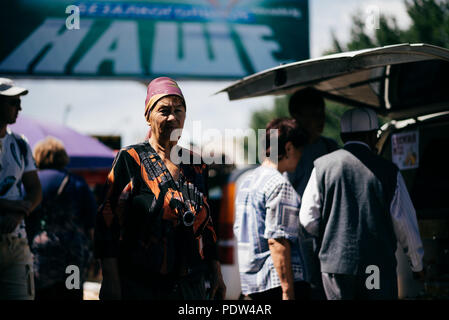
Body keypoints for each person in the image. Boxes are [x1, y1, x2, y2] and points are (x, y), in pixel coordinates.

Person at [95, 77, 226, 300]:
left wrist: (216, 271)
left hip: (190, 285)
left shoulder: (195, 163)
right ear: (148, 116)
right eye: (164, 110)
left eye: (179, 110)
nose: (173, 117)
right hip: (141, 285)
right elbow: (107, 221)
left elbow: (207, 225)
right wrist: (110, 278)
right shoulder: (131, 159)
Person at [299, 107, 425, 300]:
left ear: (342, 136)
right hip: (374, 267)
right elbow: (405, 224)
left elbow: (307, 218)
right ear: (372, 136)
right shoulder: (388, 171)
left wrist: (332, 237)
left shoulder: (322, 167)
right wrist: (417, 264)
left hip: (336, 267)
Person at [234, 118, 310, 300]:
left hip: (252, 283)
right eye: (300, 151)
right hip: (275, 283)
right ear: (289, 148)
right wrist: (287, 290)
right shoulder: (279, 184)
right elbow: (277, 241)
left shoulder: (247, 181)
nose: (300, 157)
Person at [25, 137, 97, 300]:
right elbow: (92, 224)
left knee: (41, 296)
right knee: (72, 295)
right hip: (73, 257)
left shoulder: (32, 183)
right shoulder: (77, 182)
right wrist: (96, 257)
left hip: (40, 257)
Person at [286, 87, 339, 299]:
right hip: (297, 240)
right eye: (314, 114)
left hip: (329, 238)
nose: (321, 119)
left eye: (322, 113)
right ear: (296, 117)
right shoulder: (287, 152)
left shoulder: (331, 147)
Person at [0, 78, 42, 300]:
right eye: (13, 102)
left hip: (16, 241)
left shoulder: (20, 143)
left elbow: (35, 189)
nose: (19, 108)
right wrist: (12, 205)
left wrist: (18, 212)